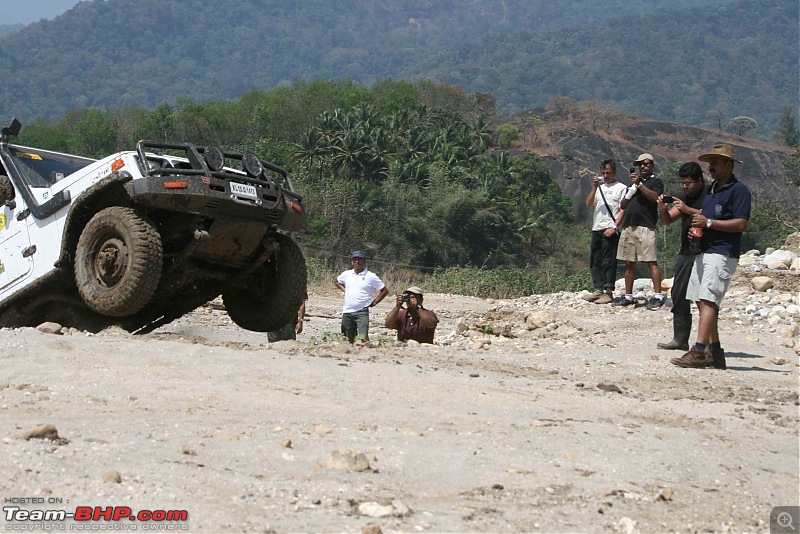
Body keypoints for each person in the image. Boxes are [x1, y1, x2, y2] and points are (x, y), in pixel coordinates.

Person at [671, 144, 751, 370]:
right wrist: (697, 226)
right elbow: (703, 216)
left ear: (729, 164)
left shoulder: (739, 190)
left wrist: (708, 223)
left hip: (722, 252)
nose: (711, 166)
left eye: (716, 162)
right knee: (701, 299)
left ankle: (698, 350)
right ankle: (714, 352)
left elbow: (741, 223)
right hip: (704, 250)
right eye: (710, 162)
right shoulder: (713, 189)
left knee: (708, 299)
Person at [655, 162, 706, 351]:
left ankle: (706, 342)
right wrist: (662, 208)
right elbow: (668, 219)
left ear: (699, 180)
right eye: (683, 183)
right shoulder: (684, 198)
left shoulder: (709, 195)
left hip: (704, 250)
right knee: (678, 293)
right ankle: (680, 338)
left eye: (689, 183)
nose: (685, 187)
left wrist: (687, 209)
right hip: (686, 250)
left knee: (703, 297)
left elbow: (709, 216)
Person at [613, 153, 665, 310]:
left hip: (646, 226)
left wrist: (640, 185)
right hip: (629, 225)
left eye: (646, 164)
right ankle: (628, 296)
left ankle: (658, 295)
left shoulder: (655, 182)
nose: (643, 166)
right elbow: (623, 205)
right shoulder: (633, 186)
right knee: (629, 261)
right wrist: (632, 189)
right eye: (640, 164)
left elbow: (655, 197)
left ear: (652, 165)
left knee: (651, 260)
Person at [582, 159, 627, 305]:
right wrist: (594, 187)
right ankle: (598, 289)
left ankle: (608, 291)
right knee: (595, 260)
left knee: (609, 260)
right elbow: (589, 203)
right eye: (603, 173)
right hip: (597, 227)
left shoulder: (621, 188)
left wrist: (615, 226)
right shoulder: (599, 188)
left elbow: (623, 209)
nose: (606, 175)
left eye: (608, 173)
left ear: (614, 172)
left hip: (610, 228)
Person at [334, 251, 389, 343]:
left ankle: (366, 353)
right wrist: (345, 290)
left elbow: (384, 290)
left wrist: (375, 302)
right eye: (355, 260)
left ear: (364, 261)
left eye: (359, 260)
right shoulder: (347, 274)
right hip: (347, 310)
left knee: (363, 337)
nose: (357, 262)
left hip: (362, 311)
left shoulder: (371, 276)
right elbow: (337, 281)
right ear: (352, 262)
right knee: (347, 338)